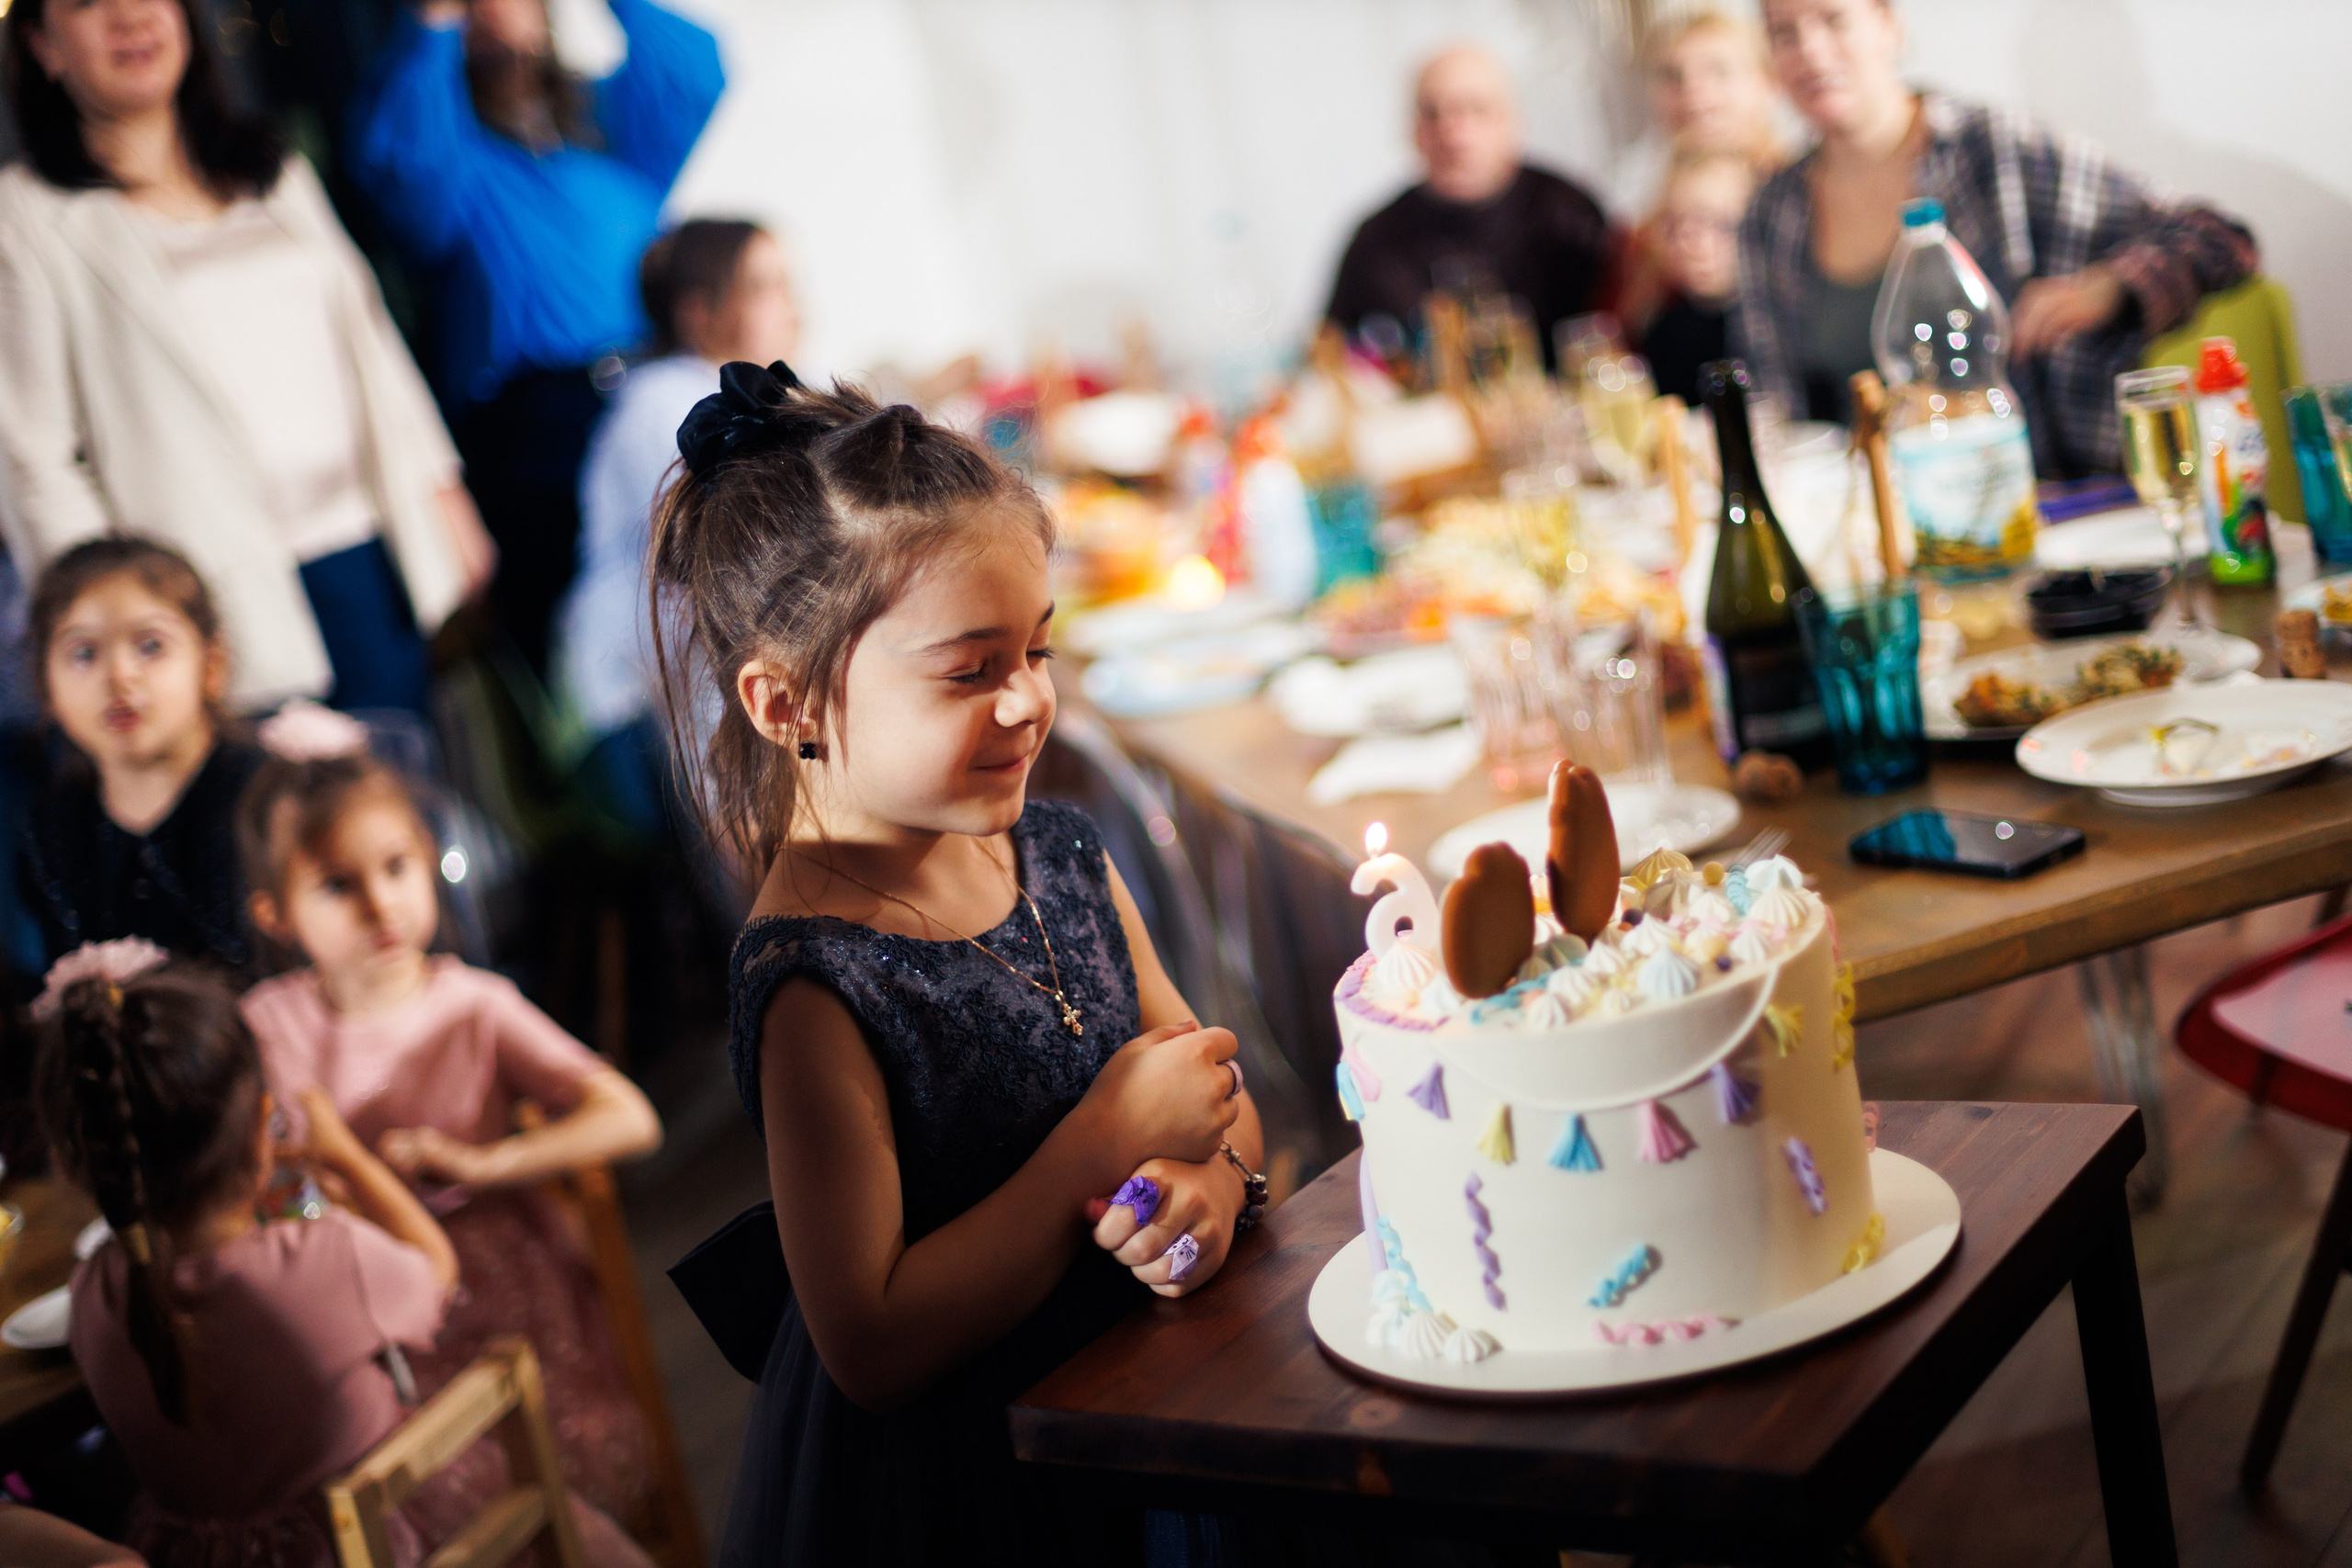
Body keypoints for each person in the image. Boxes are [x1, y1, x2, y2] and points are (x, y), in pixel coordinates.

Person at [652, 362, 1264, 1562]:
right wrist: (1092, 1148)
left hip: (1168, 1400)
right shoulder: (818, 983)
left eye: (1035, 649)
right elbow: (868, 1340)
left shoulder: (1059, 850)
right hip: (996, 1488)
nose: (1029, 700)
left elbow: (1215, 1099)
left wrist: (1210, 1197)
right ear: (787, 704)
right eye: (969, 669)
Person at [40, 946, 649, 1568]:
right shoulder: (323, 1258)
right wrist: (344, 1154)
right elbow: (435, 1268)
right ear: (261, 1127)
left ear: (81, 1161)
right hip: (385, 1543)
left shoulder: (93, 1294)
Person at [235, 702, 664, 1529]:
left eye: (396, 867)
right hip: (367, 1310)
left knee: (540, 1479)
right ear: (276, 915)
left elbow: (631, 1118)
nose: (378, 904)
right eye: (337, 884)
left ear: (428, 862)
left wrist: (484, 1164)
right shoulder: (269, 1023)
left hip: (502, 1290)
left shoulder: (472, 1003)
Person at [0, 0, 492, 716]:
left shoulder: (273, 167)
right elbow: (34, 456)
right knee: (277, 817)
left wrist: (443, 493)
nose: (130, 17)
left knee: (407, 796)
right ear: (44, 46)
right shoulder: (26, 218)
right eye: (88, 3)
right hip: (203, 599)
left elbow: (370, 342)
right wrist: (113, 627)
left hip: (368, 552)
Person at [349, 0, 726, 677]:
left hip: (648, 390)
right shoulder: (457, 154)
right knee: (599, 651)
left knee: (713, 597)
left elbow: (693, 70)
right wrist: (436, 25)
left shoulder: (605, 127)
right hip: (533, 429)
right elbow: (403, 166)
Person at [1734, 0, 2257, 473]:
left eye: (1833, 20)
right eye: (1784, 34)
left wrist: (2110, 286)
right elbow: (1774, 406)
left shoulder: (1996, 149)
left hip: (2047, 498)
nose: (1810, 51)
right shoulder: (1770, 213)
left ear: (1889, 27)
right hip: (1874, 523)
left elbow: (2217, 238)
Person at [556, 219, 800, 840]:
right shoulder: (665, 409)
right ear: (700, 313)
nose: (793, 303)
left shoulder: (749, 388)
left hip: (699, 674)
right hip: (638, 713)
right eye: (765, 285)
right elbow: (730, 564)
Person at [18, 541, 264, 976]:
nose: (119, 676)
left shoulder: (268, 794)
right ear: (45, 686)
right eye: (84, 654)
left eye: (150, 646)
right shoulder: (52, 825)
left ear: (212, 664)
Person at [1326, 45, 1612, 373]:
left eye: (1474, 109)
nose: (1452, 132)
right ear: (1413, 132)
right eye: (1432, 113)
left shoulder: (1570, 215)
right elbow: (1333, 356)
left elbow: (1623, 334)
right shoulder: (1376, 241)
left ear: (1512, 122)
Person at [1607, 11, 1783, 220]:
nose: (1691, 89)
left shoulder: (1803, 191)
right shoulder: (1630, 204)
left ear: (1769, 80)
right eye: (1671, 75)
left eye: (1718, 70)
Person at [1640, 151, 1758, 406]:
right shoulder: (1668, 330)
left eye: (1714, 221)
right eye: (1675, 223)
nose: (1689, 241)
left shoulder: (1777, 325)